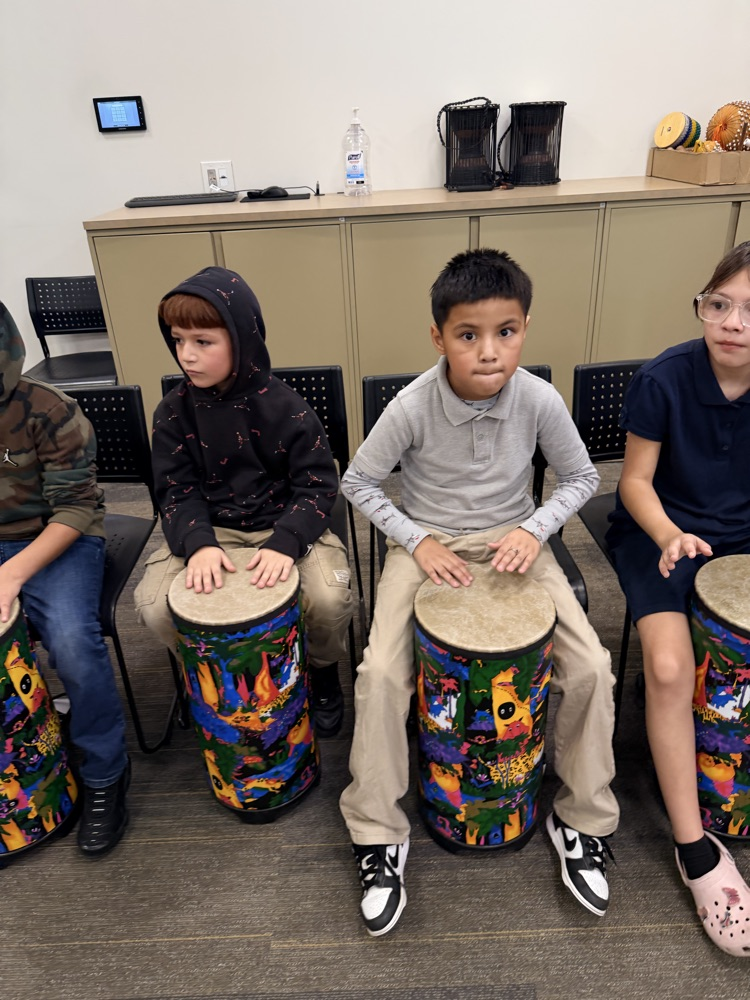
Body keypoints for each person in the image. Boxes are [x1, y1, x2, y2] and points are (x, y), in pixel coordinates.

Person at [339, 248, 619, 936]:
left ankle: (581, 819)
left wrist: (536, 526)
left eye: (507, 332)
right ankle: (378, 832)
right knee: (379, 675)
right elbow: (358, 482)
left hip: (512, 542)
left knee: (591, 668)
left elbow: (584, 480)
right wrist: (418, 540)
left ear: (526, 327)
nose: (489, 352)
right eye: (469, 335)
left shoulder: (540, 398)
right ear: (438, 337)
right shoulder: (410, 405)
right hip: (429, 544)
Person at [134, 266, 353, 738]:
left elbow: (317, 486)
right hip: (210, 530)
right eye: (178, 340)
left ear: (242, 338)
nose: (186, 356)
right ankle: (208, 675)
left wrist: (286, 541)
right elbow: (175, 490)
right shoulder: (172, 411)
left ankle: (320, 672)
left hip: (285, 524)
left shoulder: (288, 407)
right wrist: (198, 543)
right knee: (154, 607)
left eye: (203, 342)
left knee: (329, 600)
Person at [606, 242, 750, 957]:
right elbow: (634, 482)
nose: (731, 322)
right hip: (660, 531)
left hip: (743, 538)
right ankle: (695, 850)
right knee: (667, 668)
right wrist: (668, 534)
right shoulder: (663, 378)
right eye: (718, 304)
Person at [0, 302, 130, 857]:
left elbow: (76, 509)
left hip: (56, 537)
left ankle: (105, 773)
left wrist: (10, 574)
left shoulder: (47, 409)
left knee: (74, 643)